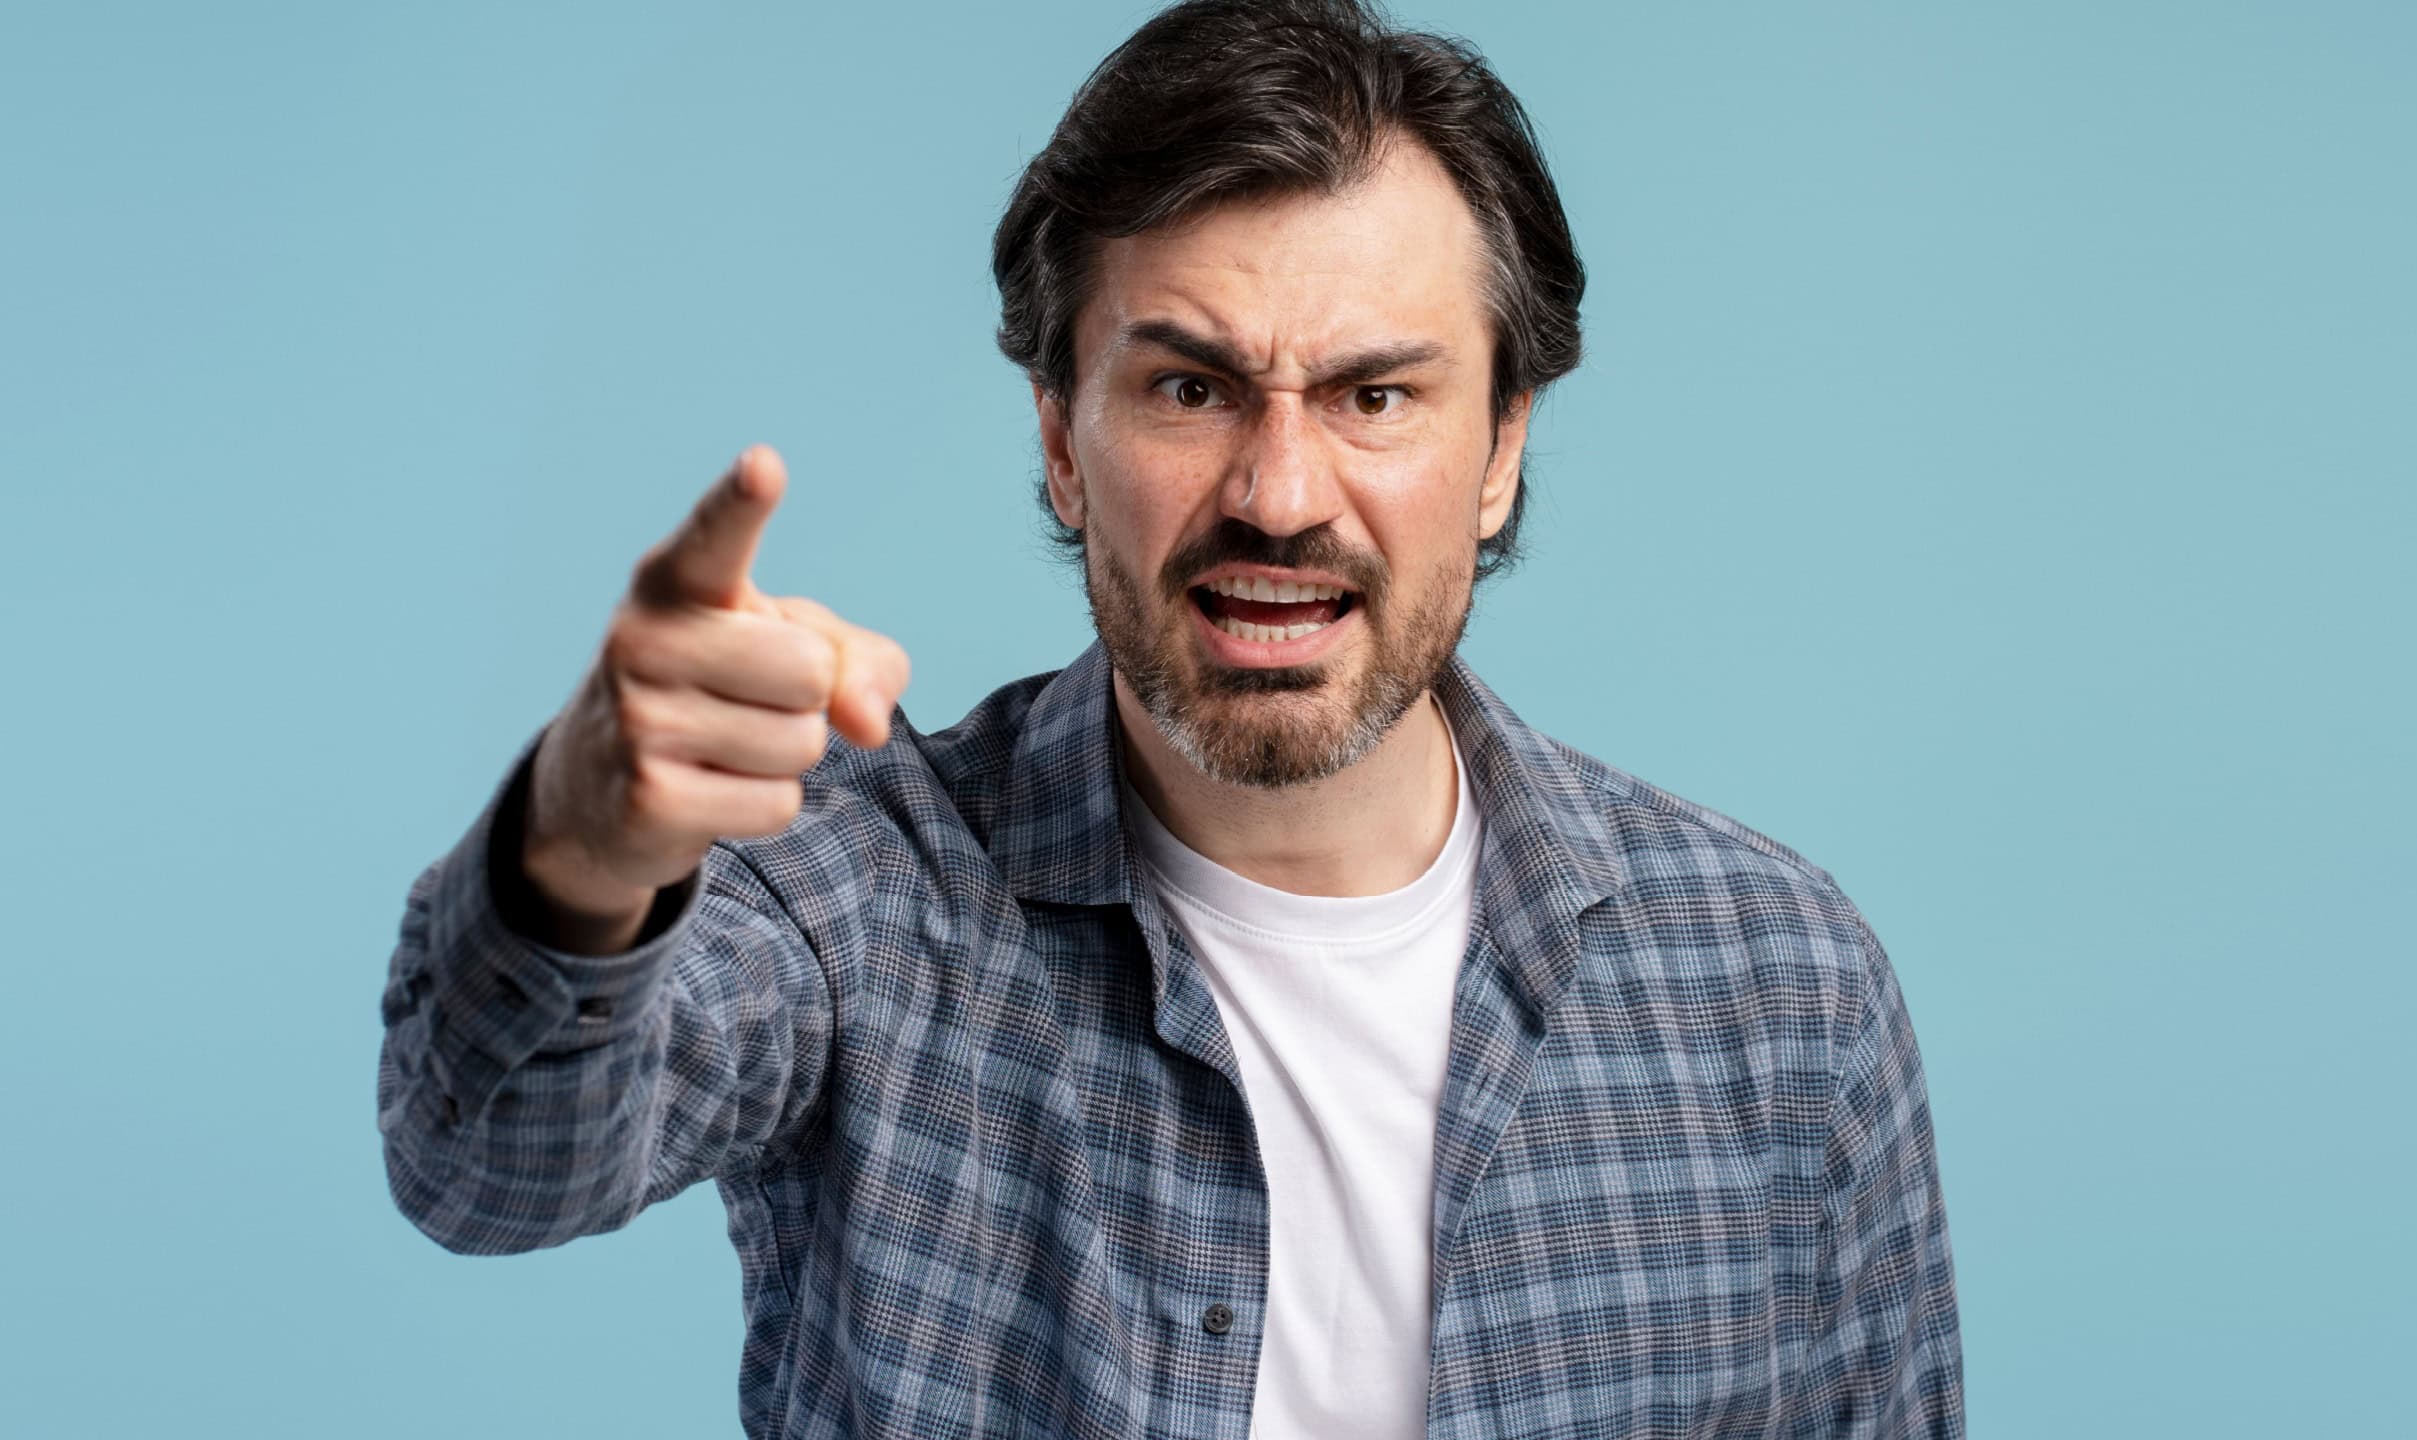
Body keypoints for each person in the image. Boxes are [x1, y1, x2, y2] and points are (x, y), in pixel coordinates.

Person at [374, 0, 1964, 1434]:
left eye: (1375, 395)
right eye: (1189, 389)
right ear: (1063, 439)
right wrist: (582, 843)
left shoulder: (1780, 988)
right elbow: (488, 1160)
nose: (1278, 496)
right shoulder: (856, 901)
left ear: (1498, 453)